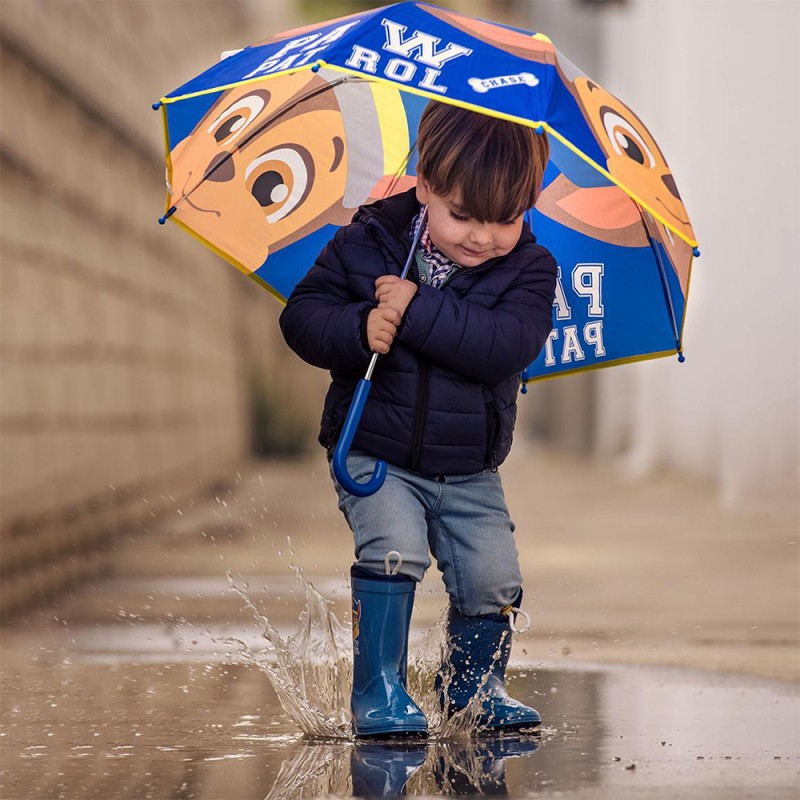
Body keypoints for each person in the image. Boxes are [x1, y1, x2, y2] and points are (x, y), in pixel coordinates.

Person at [279, 100, 556, 738]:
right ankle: (378, 690)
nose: (483, 237)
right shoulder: (366, 241)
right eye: (463, 215)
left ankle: (475, 690)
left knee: (493, 575)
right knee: (393, 549)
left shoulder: (530, 271)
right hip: (376, 448)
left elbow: (503, 346)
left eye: (506, 219)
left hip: (468, 467)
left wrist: (417, 309)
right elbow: (302, 317)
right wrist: (357, 327)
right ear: (425, 184)